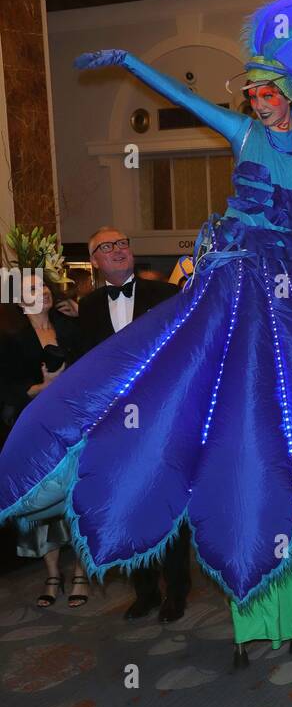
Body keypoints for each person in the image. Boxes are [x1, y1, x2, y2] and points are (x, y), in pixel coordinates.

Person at [0, 0, 292, 654]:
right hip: (236, 284)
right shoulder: (245, 134)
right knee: (213, 402)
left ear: (287, 96)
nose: (257, 102)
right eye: (251, 94)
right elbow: (184, 98)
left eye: (265, 93)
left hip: (290, 288)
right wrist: (132, 63)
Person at [79, 228, 190, 622]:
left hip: (161, 420)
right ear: (94, 261)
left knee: (166, 502)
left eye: (122, 243)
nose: (117, 250)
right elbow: (84, 368)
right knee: (126, 504)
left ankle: (176, 591)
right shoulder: (87, 307)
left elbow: (184, 350)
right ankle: (144, 590)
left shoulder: (165, 295)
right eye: (106, 247)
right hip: (114, 428)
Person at [0, 272, 89, 607]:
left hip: (76, 426)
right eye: (35, 289)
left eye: (46, 286)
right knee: (42, 502)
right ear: (21, 303)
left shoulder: (71, 328)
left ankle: (81, 572)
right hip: (34, 431)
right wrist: (43, 388)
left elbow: (96, 365)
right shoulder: (10, 340)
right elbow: (6, 388)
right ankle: (53, 573)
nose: (46, 292)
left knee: (78, 498)